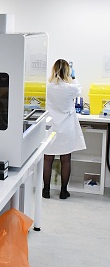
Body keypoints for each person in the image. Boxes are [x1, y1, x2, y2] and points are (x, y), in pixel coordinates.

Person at [42, 59, 86, 199]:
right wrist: (73, 77)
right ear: (67, 71)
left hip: (51, 127)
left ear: (53, 70)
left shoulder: (48, 87)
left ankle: (46, 191)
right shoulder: (70, 87)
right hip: (66, 128)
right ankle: (63, 191)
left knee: (47, 159)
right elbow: (79, 90)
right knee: (65, 159)